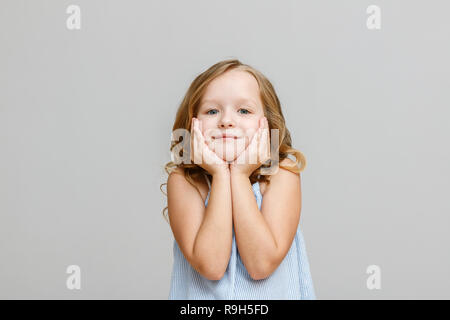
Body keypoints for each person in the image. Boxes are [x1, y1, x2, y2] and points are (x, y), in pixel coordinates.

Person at [160, 59, 316, 299]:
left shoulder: (282, 174)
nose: (226, 121)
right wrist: (221, 174)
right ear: (192, 123)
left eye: (244, 110)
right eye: (212, 111)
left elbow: (260, 265)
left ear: (268, 123)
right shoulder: (184, 181)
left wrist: (240, 174)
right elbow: (211, 266)